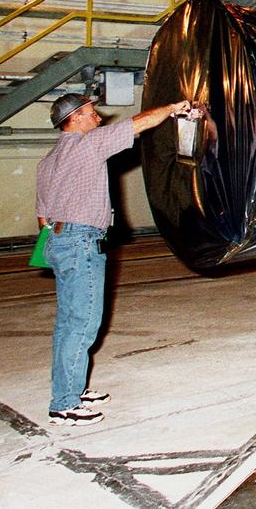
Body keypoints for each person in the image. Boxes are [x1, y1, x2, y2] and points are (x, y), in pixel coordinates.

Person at [37, 93, 190, 426]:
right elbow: (138, 124)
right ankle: (64, 404)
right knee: (83, 324)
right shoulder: (88, 145)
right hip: (81, 242)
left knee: (67, 323)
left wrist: (61, 243)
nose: (98, 117)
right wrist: (172, 108)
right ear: (75, 118)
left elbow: (42, 218)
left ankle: (71, 389)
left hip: (59, 241)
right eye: (91, 112)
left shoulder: (48, 161)